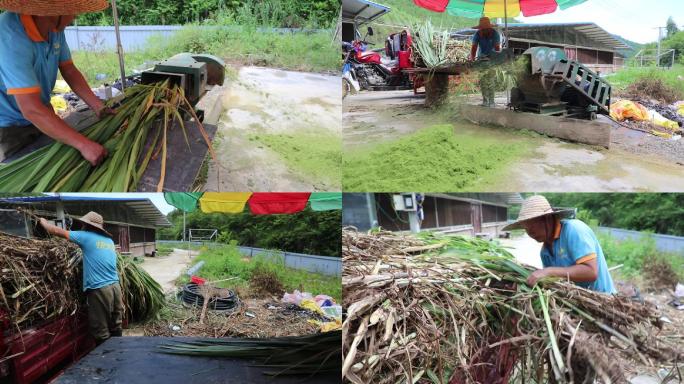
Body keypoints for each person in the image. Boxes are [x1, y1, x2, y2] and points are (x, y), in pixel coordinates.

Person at [0, 0, 115, 164]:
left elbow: (69, 70)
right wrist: (84, 144)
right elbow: (31, 109)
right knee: (23, 176)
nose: (75, 15)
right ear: (50, 12)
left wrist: (98, 105)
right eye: (71, 10)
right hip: (8, 126)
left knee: (53, 160)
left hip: (42, 112)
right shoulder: (10, 37)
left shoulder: (54, 27)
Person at [39, 211, 123, 345]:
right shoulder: (109, 241)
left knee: (100, 329)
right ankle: (120, 351)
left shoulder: (86, 237)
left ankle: (106, 360)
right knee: (116, 324)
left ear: (87, 225)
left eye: (83, 224)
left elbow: (56, 231)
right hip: (115, 287)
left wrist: (43, 222)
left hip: (100, 289)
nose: (82, 226)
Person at [503, 195, 616, 294]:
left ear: (547, 219)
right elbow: (555, 283)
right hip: (579, 305)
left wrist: (548, 271)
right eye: (526, 229)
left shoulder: (574, 230)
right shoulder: (545, 252)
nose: (530, 233)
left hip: (603, 301)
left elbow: (591, 272)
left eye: (532, 226)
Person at [469, 17, 501, 107]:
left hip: (492, 59)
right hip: (481, 59)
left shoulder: (495, 34)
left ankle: (492, 101)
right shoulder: (478, 34)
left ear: (489, 28)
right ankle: (485, 101)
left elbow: (497, 49)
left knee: (490, 80)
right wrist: (472, 59)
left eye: (484, 29)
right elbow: (474, 48)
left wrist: (496, 60)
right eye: (481, 29)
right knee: (483, 80)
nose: (483, 31)